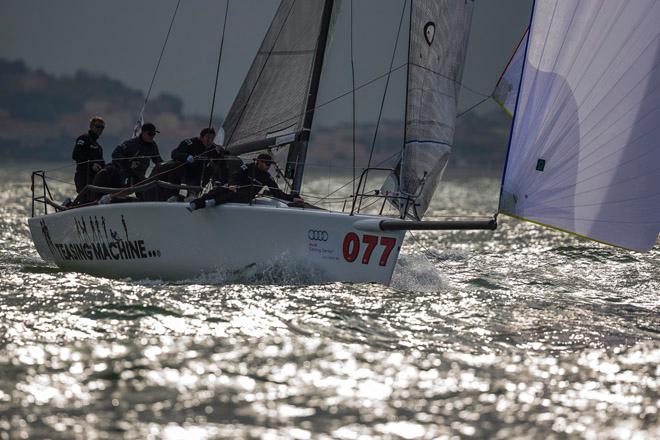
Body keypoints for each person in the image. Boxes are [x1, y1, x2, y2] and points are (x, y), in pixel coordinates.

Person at [188, 153, 303, 211]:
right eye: (266, 164)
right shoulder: (247, 167)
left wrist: (293, 198)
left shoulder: (267, 177)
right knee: (217, 190)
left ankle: (211, 203)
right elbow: (235, 176)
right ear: (259, 162)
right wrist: (232, 184)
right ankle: (195, 204)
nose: (268, 167)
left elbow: (277, 193)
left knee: (230, 195)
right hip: (236, 190)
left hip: (245, 197)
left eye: (269, 165)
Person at [111, 122, 163, 187]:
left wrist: (165, 166)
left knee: (146, 191)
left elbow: (158, 161)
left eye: (154, 134)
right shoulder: (131, 143)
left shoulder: (153, 145)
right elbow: (115, 154)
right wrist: (127, 165)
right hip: (126, 175)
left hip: (140, 177)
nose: (152, 136)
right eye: (150, 134)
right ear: (143, 133)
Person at [72, 116, 106, 193]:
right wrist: (91, 165)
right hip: (83, 177)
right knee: (85, 198)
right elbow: (75, 155)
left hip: (95, 179)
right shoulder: (84, 138)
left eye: (102, 127)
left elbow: (102, 162)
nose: (100, 129)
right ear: (91, 126)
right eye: (97, 126)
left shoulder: (99, 147)